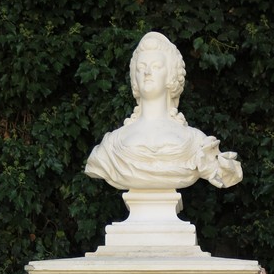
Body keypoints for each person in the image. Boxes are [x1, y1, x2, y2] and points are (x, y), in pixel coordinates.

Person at [85, 31, 242, 191]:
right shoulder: (110, 146)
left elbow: (227, 173)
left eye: (156, 67)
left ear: (171, 76)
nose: (147, 73)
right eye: (141, 67)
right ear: (134, 78)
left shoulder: (197, 143)